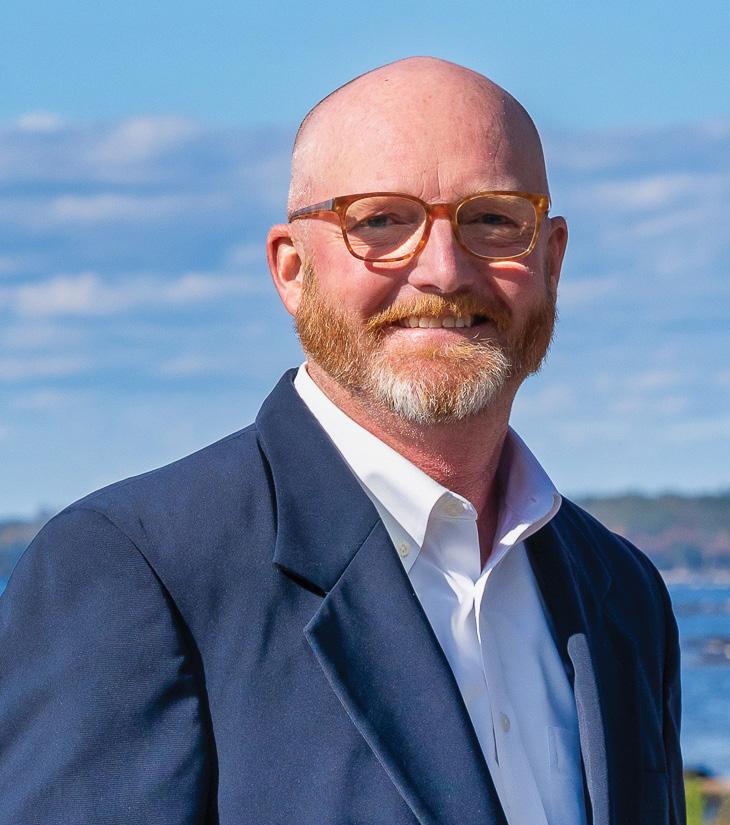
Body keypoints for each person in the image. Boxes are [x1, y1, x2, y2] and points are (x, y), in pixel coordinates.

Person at [0, 57, 684, 825]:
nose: (444, 270)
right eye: (381, 221)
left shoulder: (623, 593)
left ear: (551, 260)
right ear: (292, 271)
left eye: (493, 219)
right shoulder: (136, 572)